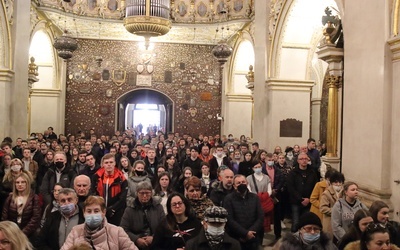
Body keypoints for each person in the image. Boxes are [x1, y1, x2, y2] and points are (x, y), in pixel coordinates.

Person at [60, 196, 138, 250]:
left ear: (103, 212)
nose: (92, 214)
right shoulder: (75, 231)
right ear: (84, 213)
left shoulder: (117, 232)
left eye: (96, 211)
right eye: (89, 211)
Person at [120, 181, 165, 250]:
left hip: (156, 243)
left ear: (151, 193)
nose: (144, 196)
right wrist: (136, 239)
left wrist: (154, 237)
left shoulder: (158, 207)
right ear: (137, 194)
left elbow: (164, 227)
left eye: (147, 193)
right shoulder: (129, 209)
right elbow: (123, 229)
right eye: (142, 193)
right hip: (134, 245)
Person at [223, 174, 264, 249]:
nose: (241, 184)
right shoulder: (228, 199)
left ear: (247, 183)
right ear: (234, 186)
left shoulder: (255, 197)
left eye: (243, 182)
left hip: (253, 237)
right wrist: (245, 233)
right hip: (237, 238)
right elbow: (229, 219)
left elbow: (260, 217)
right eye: (238, 183)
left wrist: (250, 233)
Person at [1, 172, 41, 240]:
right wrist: (12, 232)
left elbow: (35, 218)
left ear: (27, 184)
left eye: (23, 182)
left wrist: (22, 233)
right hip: (12, 233)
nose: (20, 184)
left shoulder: (34, 198)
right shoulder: (10, 198)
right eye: (17, 182)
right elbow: (4, 217)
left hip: (29, 234)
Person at [286, 152, 318, 232]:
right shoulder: (293, 173)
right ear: (298, 161)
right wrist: (300, 199)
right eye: (301, 159)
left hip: (309, 201)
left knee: (306, 223)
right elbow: (291, 188)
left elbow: (315, 187)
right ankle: (294, 241)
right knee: (296, 223)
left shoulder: (313, 172)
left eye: (305, 159)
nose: (304, 160)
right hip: (296, 202)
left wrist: (309, 199)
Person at [92, 153, 128, 226]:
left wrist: (113, 208)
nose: (109, 164)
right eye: (106, 162)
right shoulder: (96, 177)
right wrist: (101, 207)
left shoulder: (122, 178)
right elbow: (93, 193)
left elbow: (123, 197)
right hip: (100, 210)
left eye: (111, 162)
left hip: (117, 212)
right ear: (103, 164)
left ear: (114, 163)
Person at [320, 171, 345, 239]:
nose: (338, 184)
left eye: (340, 182)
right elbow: (322, 208)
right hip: (329, 222)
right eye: (336, 182)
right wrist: (335, 211)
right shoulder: (326, 193)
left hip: (340, 223)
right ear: (331, 183)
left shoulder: (344, 193)